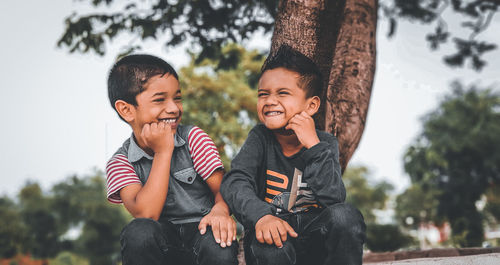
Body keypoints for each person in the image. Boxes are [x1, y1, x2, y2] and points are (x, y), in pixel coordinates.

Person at [220, 45, 366, 265]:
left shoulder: (324, 143)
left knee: (346, 215)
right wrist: (262, 216)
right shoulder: (260, 138)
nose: (269, 101)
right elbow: (236, 182)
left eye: (282, 93)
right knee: (270, 244)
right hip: (272, 238)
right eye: (263, 94)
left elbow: (334, 198)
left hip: (315, 241)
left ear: (311, 105)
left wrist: (313, 147)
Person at [105, 54, 238, 265]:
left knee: (217, 240)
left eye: (177, 98)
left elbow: (225, 189)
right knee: (137, 232)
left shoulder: (194, 138)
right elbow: (146, 214)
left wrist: (221, 211)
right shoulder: (120, 163)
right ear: (127, 110)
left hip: (203, 231)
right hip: (162, 243)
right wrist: (163, 152)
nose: (174, 108)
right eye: (160, 100)